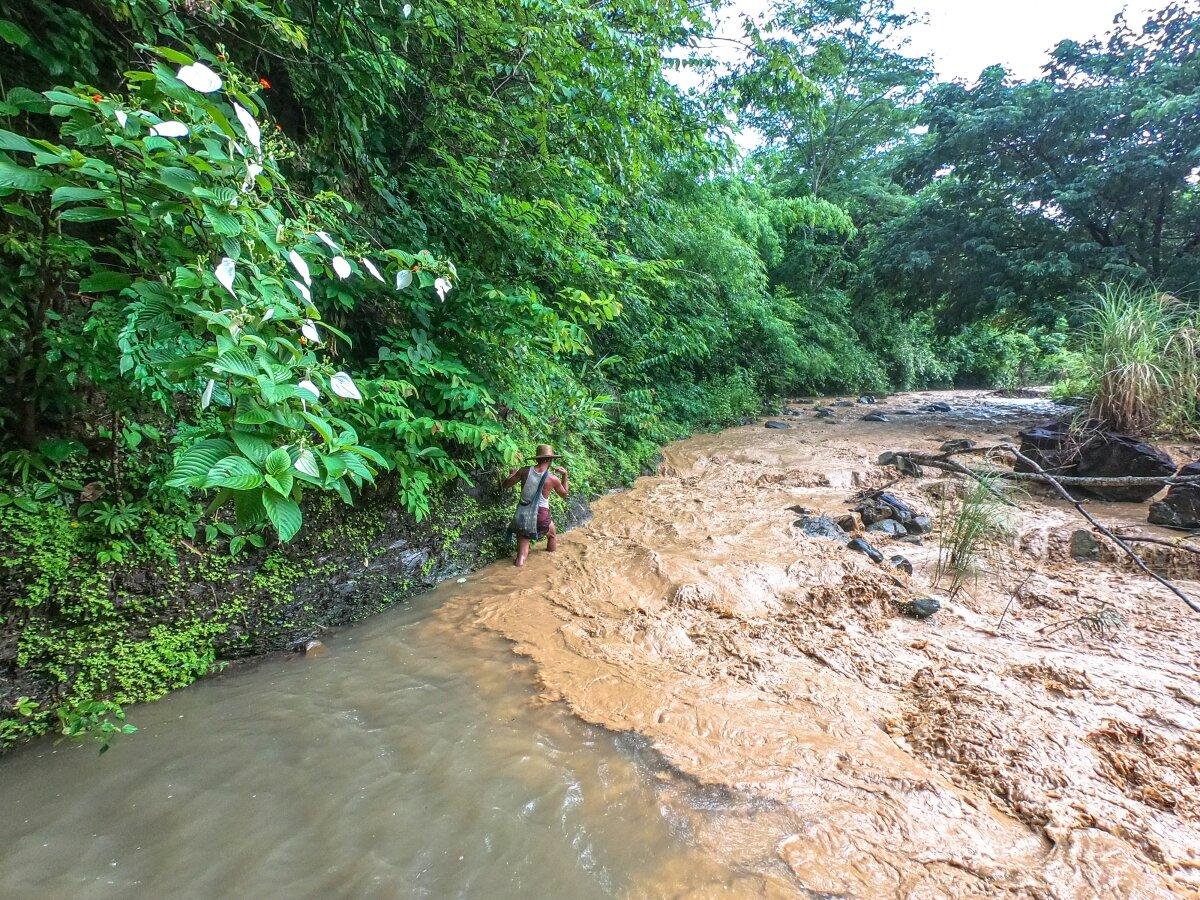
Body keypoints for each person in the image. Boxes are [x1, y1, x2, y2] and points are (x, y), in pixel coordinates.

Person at [503, 444, 569, 567]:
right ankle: (550, 562)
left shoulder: (524, 471)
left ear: (536, 459)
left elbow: (505, 485)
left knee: (521, 554)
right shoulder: (552, 479)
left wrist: (512, 474)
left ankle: (518, 570)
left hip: (523, 516)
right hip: (541, 517)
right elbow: (565, 495)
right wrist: (565, 475)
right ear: (549, 460)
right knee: (552, 535)